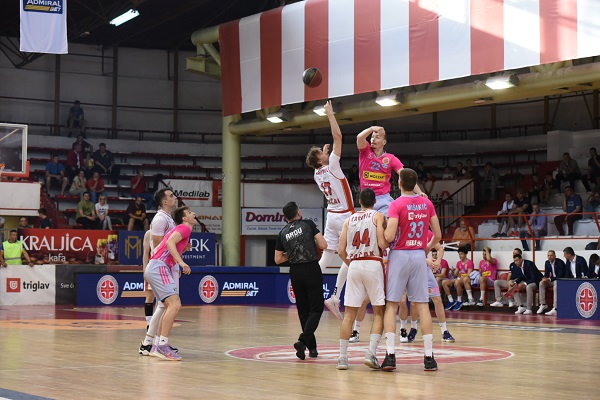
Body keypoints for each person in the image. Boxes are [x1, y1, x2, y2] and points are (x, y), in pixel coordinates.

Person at [382, 168, 441, 372]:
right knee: (423, 306)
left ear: (399, 184)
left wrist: (382, 230)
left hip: (399, 255)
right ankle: (429, 357)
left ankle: (390, 356)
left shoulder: (396, 204)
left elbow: (390, 236)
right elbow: (438, 235)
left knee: (392, 305)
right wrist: (425, 249)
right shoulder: (427, 203)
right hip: (418, 255)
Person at [306, 100, 355, 321]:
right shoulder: (333, 165)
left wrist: (323, 154)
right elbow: (338, 137)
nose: (324, 152)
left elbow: (322, 164)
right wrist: (330, 115)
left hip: (331, 216)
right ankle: (335, 295)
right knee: (349, 257)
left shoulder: (316, 173)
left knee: (327, 256)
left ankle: (309, 288)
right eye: (321, 152)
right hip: (345, 215)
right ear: (321, 160)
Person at [336, 188, 388, 370]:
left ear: (359, 201)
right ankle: (371, 354)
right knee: (379, 312)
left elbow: (340, 250)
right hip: (373, 263)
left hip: (355, 265)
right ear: (375, 202)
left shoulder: (349, 220)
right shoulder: (378, 216)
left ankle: (342, 358)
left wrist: (351, 264)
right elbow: (382, 243)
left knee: (349, 314)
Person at [274, 201, 327, 360]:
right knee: (316, 309)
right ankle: (303, 341)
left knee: (303, 311)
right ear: (298, 212)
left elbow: (278, 259)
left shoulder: (282, 233)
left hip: (295, 272)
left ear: (286, 217)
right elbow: (323, 244)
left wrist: (291, 252)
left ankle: (312, 348)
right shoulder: (308, 224)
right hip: (311, 268)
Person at [143, 206, 197, 360]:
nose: (194, 213)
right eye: (189, 213)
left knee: (167, 306)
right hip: (159, 267)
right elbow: (169, 243)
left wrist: (182, 250)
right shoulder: (184, 228)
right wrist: (181, 262)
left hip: (155, 266)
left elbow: (169, 245)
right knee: (175, 304)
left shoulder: (181, 230)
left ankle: (156, 345)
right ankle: (162, 345)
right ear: (185, 219)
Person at [139, 188, 180, 357]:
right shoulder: (160, 219)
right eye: (171, 196)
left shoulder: (168, 218)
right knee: (169, 304)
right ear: (164, 201)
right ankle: (155, 343)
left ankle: (150, 343)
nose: (174, 197)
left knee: (164, 305)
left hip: (168, 266)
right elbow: (158, 247)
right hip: (162, 267)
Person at [357, 125, 424, 214]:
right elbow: (360, 138)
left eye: (377, 137)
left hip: (383, 199)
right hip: (367, 198)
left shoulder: (391, 158)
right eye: (372, 137)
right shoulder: (365, 151)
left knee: (392, 219)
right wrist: (372, 128)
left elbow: (406, 176)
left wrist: (420, 192)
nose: (373, 139)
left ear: (384, 142)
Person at [402, 235, 455, 344]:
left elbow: (440, 249)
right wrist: (426, 260)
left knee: (437, 299)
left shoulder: (428, 232)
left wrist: (438, 261)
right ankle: (414, 328)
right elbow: (406, 254)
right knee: (414, 302)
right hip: (413, 270)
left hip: (426, 271)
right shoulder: (409, 231)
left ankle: (444, 331)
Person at [443, 247, 474, 311]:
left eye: (461, 254)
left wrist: (459, 278)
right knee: (444, 282)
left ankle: (459, 300)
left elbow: (468, 275)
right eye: (459, 254)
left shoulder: (470, 262)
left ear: (465, 254)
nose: (460, 256)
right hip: (458, 279)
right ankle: (451, 300)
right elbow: (455, 275)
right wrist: (452, 273)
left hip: (465, 280)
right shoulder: (458, 263)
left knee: (457, 281)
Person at [537, 250, 566, 315]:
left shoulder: (560, 262)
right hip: (552, 280)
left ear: (555, 256)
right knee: (541, 283)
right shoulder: (547, 263)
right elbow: (546, 274)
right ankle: (543, 304)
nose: (549, 257)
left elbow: (560, 276)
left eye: (551, 255)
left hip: (559, 280)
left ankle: (555, 307)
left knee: (556, 284)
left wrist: (549, 279)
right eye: (548, 255)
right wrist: (544, 278)